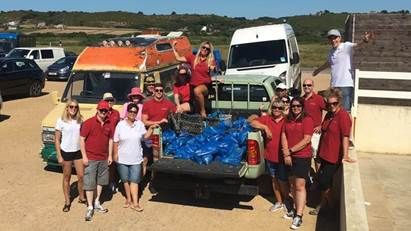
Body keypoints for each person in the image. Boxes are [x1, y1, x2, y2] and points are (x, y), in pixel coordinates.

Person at [309, 88, 355, 216]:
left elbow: (345, 136)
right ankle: (323, 206)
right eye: (329, 104)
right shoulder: (329, 114)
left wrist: (345, 155)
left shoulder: (343, 116)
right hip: (323, 154)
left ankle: (330, 207)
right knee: (323, 182)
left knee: (324, 182)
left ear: (339, 102)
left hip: (333, 157)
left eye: (334, 103)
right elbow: (324, 131)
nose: (332, 106)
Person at [312, 29, 374, 112]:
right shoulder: (331, 52)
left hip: (345, 85)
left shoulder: (346, 46)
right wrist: (318, 70)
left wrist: (364, 40)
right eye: (331, 38)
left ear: (340, 38)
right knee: (334, 110)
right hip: (334, 86)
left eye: (335, 38)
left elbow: (357, 45)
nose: (333, 40)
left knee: (345, 111)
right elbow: (328, 63)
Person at [113, 103, 158, 212]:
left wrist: (151, 128)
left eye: (135, 112)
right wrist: (115, 154)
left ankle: (135, 203)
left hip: (136, 157)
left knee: (134, 181)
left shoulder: (139, 124)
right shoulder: (120, 125)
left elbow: (144, 137)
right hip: (122, 157)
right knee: (125, 180)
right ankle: (128, 199)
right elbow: (115, 141)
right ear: (127, 112)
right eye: (131, 111)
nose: (132, 113)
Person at [249, 99, 289, 213]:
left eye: (279, 108)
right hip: (270, 156)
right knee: (274, 179)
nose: (276, 110)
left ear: (283, 110)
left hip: (282, 156)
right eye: (274, 107)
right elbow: (252, 122)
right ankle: (279, 201)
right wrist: (265, 128)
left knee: (283, 180)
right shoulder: (267, 119)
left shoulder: (287, 120)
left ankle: (287, 200)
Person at [281, 97, 314, 230]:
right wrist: (286, 153)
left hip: (302, 157)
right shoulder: (287, 119)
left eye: (298, 106)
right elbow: (284, 135)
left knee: (300, 186)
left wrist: (290, 151)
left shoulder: (307, 120)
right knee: (292, 185)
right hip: (289, 157)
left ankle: (299, 216)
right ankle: (295, 209)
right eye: (293, 106)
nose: (295, 108)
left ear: (302, 106)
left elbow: (307, 140)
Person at [80, 100, 114, 221]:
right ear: (97, 110)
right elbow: (82, 139)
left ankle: (97, 201)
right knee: (89, 182)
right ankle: (89, 206)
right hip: (91, 157)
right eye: (101, 110)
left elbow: (110, 140)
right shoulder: (88, 123)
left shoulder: (109, 124)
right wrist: (84, 156)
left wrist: (110, 155)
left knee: (101, 181)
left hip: (103, 158)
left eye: (106, 110)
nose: (103, 112)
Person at [54, 99, 86, 212]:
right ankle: (67, 201)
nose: (73, 109)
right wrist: (59, 155)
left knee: (81, 176)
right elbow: (57, 140)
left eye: (76, 107)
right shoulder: (61, 121)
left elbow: (84, 137)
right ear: (67, 108)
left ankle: (81, 197)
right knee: (67, 177)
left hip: (78, 151)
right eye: (71, 107)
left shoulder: (81, 120)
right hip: (66, 151)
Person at [173, 41, 216, 118]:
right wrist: (174, 48)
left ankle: (203, 111)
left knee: (197, 90)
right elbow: (178, 58)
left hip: (205, 87)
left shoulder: (210, 60)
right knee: (178, 109)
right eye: (203, 47)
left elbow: (213, 68)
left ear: (209, 51)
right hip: (193, 88)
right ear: (200, 48)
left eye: (207, 49)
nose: (205, 49)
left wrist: (212, 68)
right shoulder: (192, 58)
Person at [302, 79, 326, 169]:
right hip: (304, 133)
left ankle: (318, 178)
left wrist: (321, 125)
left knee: (316, 157)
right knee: (306, 156)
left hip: (315, 133)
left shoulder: (319, 99)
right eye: (304, 85)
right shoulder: (302, 99)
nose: (306, 87)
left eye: (309, 85)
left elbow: (330, 112)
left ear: (313, 86)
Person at [103, 92, 120, 193]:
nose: (109, 102)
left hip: (113, 141)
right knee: (102, 163)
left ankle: (111, 181)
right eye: (107, 100)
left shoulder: (116, 113)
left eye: (111, 100)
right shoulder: (100, 112)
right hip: (103, 140)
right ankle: (102, 183)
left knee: (112, 163)